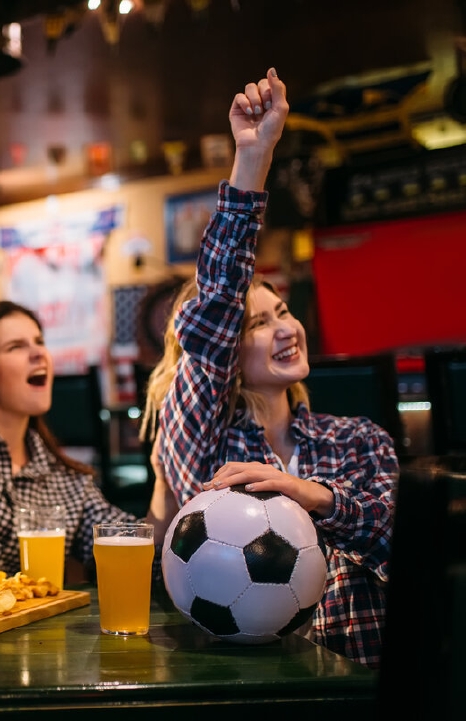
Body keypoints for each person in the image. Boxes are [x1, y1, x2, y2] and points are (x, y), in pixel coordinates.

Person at [142, 68, 396, 668]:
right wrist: (252, 160)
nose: (286, 326)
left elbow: (404, 531)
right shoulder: (203, 443)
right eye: (258, 323)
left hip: (365, 680)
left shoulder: (357, 440)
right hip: (242, 687)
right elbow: (214, 315)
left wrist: (318, 497)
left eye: (284, 311)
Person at [0, 115, 165, 588]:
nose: (39, 354)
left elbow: (132, 550)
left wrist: (165, 479)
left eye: (40, 342)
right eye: (17, 346)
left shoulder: (60, 475)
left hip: (27, 658)